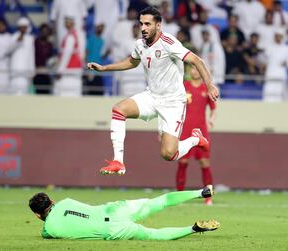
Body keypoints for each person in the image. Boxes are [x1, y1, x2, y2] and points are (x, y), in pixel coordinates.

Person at [87, 7, 219, 175]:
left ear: (158, 25)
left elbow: (197, 61)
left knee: (168, 154)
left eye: (148, 24)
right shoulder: (140, 44)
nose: (143, 28)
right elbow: (132, 62)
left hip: (173, 103)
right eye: (141, 24)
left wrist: (209, 86)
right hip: (151, 96)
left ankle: (195, 139)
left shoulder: (169, 43)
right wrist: (105, 68)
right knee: (119, 109)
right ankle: (118, 161)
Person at [28, 185, 220, 240]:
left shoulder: (49, 230)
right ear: (52, 201)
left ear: (37, 215)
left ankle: (193, 228)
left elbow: (46, 231)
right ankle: (200, 192)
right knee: (159, 202)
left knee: (155, 235)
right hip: (114, 209)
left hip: (113, 230)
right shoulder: (66, 201)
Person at [176, 66, 217, 205]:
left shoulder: (207, 88)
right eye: (192, 69)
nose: (194, 71)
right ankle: (179, 196)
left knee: (205, 163)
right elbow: (175, 106)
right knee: (183, 162)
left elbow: (213, 108)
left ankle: (208, 197)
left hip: (201, 131)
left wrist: (211, 120)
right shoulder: (183, 86)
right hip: (185, 130)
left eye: (197, 69)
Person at [54, 17, 83, 97]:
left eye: (68, 22)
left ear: (72, 23)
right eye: (65, 22)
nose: (66, 24)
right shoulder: (75, 35)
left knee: (66, 92)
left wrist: (60, 70)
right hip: (74, 68)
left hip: (70, 69)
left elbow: (67, 54)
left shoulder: (71, 36)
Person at [8, 17, 35, 95]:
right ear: (18, 27)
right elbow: (8, 50)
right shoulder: (13, 37)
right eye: (22, 27)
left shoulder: (30, 39)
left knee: (25, 93)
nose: (23, 29)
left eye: (25, 27)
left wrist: (32, 71)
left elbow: (31, 55)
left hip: (26, 71)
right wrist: (17, 41)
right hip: (15, 70)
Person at [34, 23, 54, 94]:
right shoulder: (35, 43)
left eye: (46, 31)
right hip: (37, 72)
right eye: (43, 31)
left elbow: (51, 59)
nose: (45, 33)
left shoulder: (50, 45)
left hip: (46, 73)